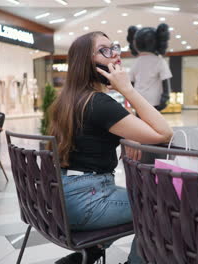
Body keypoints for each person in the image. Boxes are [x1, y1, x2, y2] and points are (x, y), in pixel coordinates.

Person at [48, 31, 173, 264]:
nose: (115, 55)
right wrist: (128, 89)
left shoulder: (69, 100)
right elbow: (164, 132)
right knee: (163, 207)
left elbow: (130, 127)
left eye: (114, 47)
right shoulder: (99, 103)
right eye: (105, 50)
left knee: (151, 201)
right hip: (89, 200)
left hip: (62, 197)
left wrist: (132, 135)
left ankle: (91, 253)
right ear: (87, 62)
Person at [126, 23, 172, 111]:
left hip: (138, 99)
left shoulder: (136, 62)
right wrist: (165, 97)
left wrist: (129, 98)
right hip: (155, 100)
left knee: (140, 122)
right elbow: (165, 81)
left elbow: (131, 82)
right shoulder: (160, 61)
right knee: (154, 122)